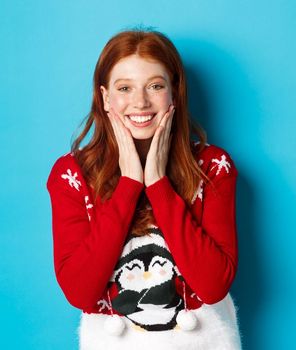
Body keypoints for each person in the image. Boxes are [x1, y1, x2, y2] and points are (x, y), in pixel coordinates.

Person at [46, 29, 243, 349]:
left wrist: (158, 183)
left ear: (174, 93)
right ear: (105, 96)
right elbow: (80, 293)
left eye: (155, 85)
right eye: (125, 88)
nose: (140, 101)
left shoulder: (212, 167)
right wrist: (129, 184)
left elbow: (212, 286)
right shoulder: (72, 175)